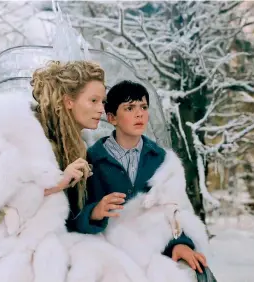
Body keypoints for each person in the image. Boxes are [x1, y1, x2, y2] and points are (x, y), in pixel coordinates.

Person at [68, 80, 209, 274]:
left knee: (198, 272)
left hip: (153, 251)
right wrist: (94, 213)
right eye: (129, 108)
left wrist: (180, 244)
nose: (139, 113)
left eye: (143, 107)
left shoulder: (161, 160)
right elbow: (73, 217)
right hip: (108, 251)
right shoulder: (91, 159)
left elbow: (175, 210)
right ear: (112, 118)